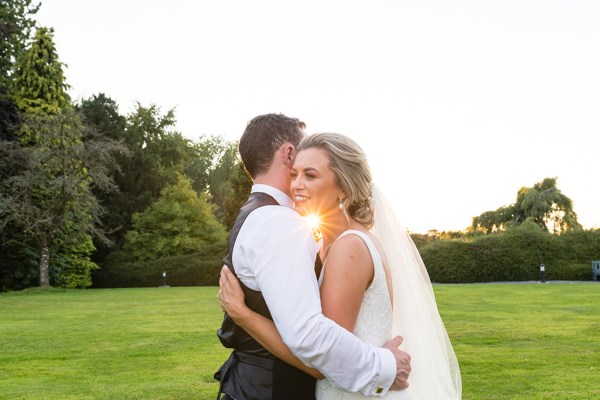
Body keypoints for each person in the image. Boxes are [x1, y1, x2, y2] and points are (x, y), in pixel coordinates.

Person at [219, 132, 462, 399]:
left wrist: (244, 316)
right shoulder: (324, 244)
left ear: (343, 189)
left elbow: (318, 362)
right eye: (294, 174)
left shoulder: (350, 248)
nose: (297, 185)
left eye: (310, 176)